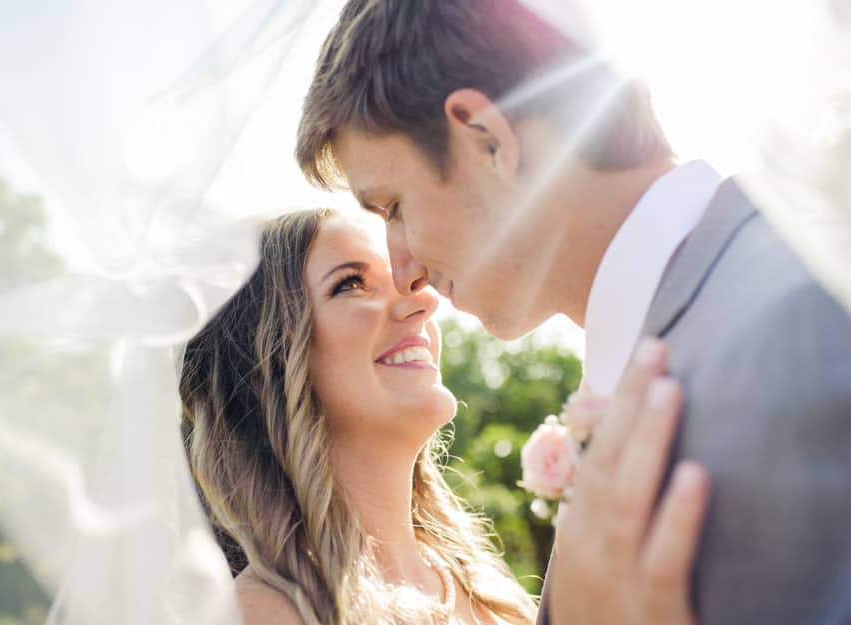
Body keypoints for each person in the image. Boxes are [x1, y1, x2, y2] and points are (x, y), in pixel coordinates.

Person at [294, 2, 851, 625]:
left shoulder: (805, 326)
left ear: (486, 141)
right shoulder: (729, 303)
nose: (405, 273)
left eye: (394, 207)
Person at [178, 208, 708, 625]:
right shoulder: (260, 614)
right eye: (352, 284)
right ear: (264, 367)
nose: (423, 304)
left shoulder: (482, 586)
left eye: (405, 283)